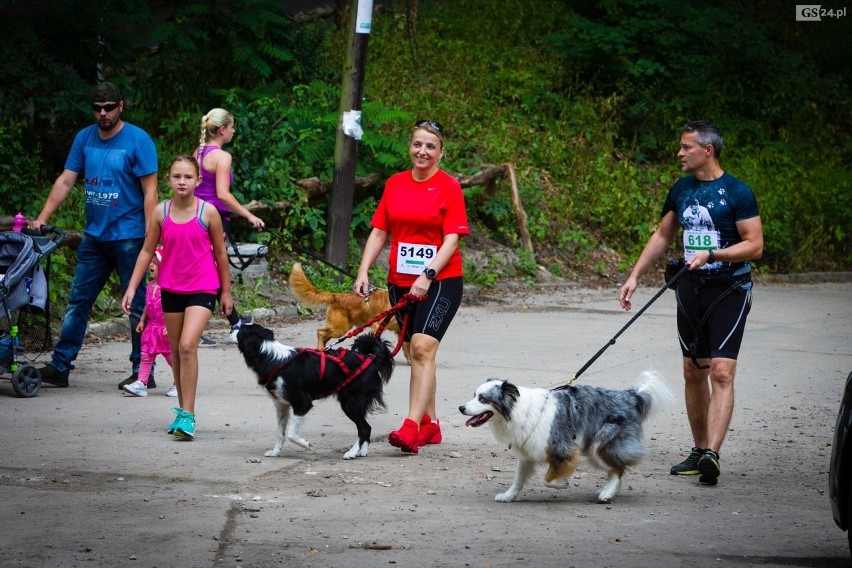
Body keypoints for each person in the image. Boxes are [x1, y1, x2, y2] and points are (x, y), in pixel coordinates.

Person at [618, 120, 763, 486]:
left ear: (707, 150)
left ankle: (713, 452)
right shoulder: (681, 189)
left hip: (729, 288)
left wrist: (714, 252)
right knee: (692, 371)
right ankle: (700, 451)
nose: (679, 153)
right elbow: (663, 234)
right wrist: (634, 275)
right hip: (689, 289)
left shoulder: (737, 192)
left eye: (686, 147)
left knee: (721, 371)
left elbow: (755, 245)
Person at [29, 81, 158, 388]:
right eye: (97, 108)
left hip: (130, 237)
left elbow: (150, 193)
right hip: (95, 238)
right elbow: (65, 181)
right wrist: (42, 218)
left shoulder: (138, 141)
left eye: (109, 108)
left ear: (120, 106)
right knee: (78, 301)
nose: (103, 113)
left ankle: (143, 372)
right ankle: (60, 366)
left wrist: (153, 238)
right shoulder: (84, 138)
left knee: (137, 305)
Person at [353, 120, 469, 454]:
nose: (423, 151)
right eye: (418, 144)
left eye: (430, 146)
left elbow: (451, 239)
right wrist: (363, 271)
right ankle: (430, 425)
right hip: (399, 283)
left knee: (421, 348)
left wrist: (427, 275)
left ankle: (410, 427)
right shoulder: (395, 184)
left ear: (441, 152)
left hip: (441, 282)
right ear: (410, 146)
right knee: (419, 353)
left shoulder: (448, 187)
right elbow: (379, 230)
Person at [121, 155, 232, 439]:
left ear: (197, 180)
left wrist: (226, 291)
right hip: (171, 290)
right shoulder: (161, 212)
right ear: (168, 180)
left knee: (186, 346)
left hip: (203, 289)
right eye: (176, 176)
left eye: (188, 177)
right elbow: (147, 251)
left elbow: (221, 254)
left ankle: (189, 415)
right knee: (176, 352)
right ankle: (183, 413)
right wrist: (132, 288)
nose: (182, 181)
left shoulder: (208, 213)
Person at [194, 108, 264, 343]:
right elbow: (223, 194)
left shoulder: (199, 151)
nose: (234, 131)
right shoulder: (222, 157)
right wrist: (249, 216)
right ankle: (230, 324)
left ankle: (234, 321)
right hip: (214, 220)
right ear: (222, 130)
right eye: (232, 127)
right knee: (212, 273)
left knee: (204, 271)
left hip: (196, 216)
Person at [122, 247, 177, 398]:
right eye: (150, 263)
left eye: (155, 263)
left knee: (172, 359)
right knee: (146, 356)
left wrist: (170, 325)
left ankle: (179, 383)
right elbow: (148, 304)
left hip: (165, 329)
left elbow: (174, 308)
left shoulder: (169, 287)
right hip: (151, 327)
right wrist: (142, 320)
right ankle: (141, 383)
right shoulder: (150, 286)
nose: (150, 266)